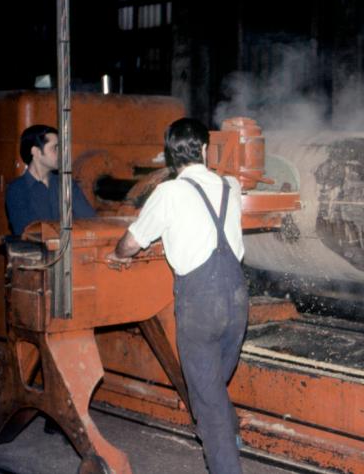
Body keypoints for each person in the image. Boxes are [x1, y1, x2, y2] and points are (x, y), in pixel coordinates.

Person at [106, 118, 248, 474]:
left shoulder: (168, 193)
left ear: (170, 154)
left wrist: (118, 254)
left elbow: (134, 240)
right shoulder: (230, 185)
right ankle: (226, 434)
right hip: (237, 299)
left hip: (200, 303)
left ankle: (224, 455)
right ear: (203, 150)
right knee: (213, 384)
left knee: (207, 398)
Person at [5, 124, 96, 235]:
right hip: (35, 251)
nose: (61, 154)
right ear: (36, 152)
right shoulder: (17, 189)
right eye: (55, 148)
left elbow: (89, 221)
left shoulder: (67, 184)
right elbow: (27, 231)